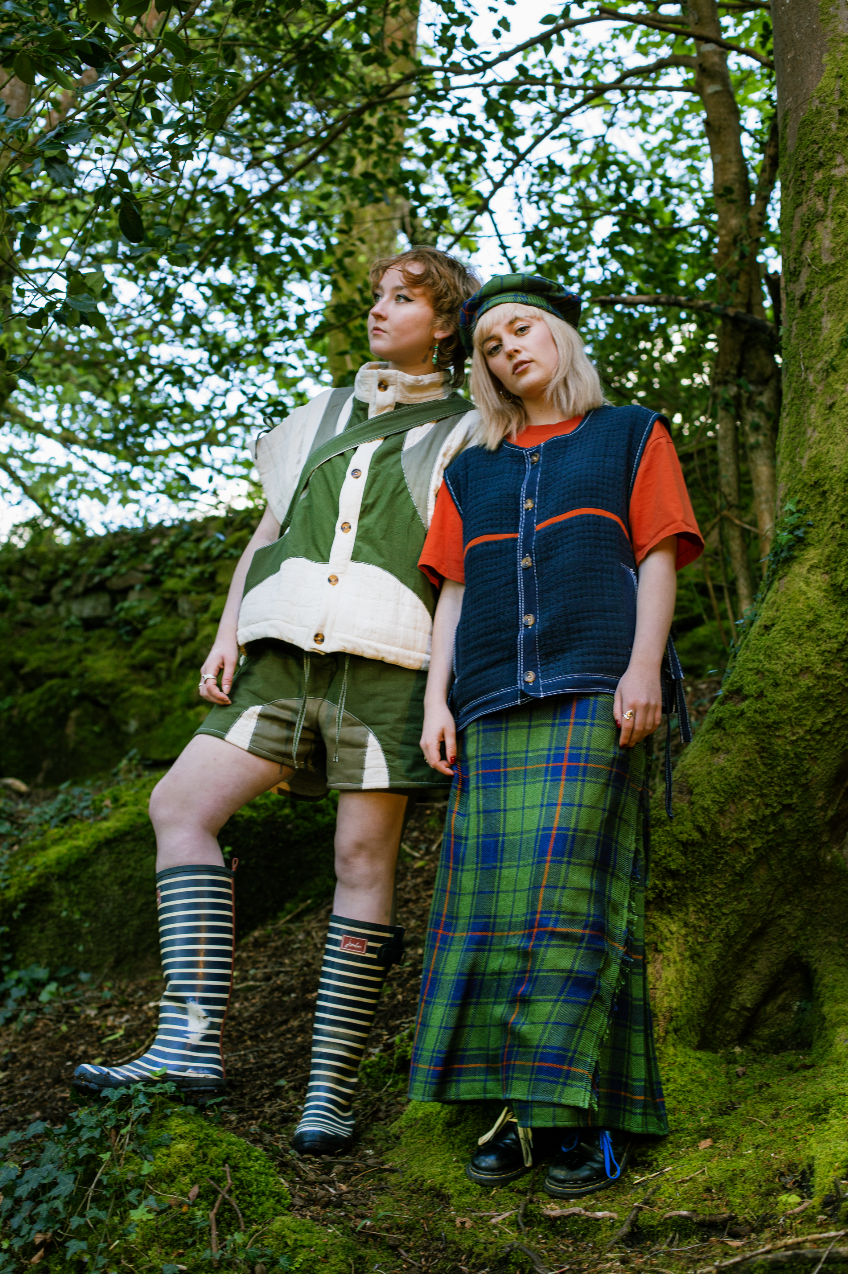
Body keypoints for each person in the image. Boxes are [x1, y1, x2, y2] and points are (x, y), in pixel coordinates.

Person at [72, 247, 482, 1157]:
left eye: (404, 298)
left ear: (446, 325)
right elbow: (266, 535)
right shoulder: (315, 419)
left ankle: (329, 1093)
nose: (380, 309)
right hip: (275, 655)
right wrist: (227, 633)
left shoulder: (470, 429)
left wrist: (440, 695)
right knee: (179, 806)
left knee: (361, 861)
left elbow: (459, 569)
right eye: (379, 295)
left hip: (391, 666)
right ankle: (186, 1043)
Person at [407, 274, 704, 1197]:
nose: (509, 351)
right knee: (492, 910)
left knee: (572, 900)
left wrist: (643, 669)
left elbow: (658, 553)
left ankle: (575, 1120)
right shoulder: (471, 471)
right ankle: (514, 1110)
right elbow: (454, 593)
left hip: (592, 687)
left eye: (522, 330)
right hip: (489, 701)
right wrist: (435, 702)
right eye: (491, 347)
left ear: (561, 336)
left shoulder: (632, 434)